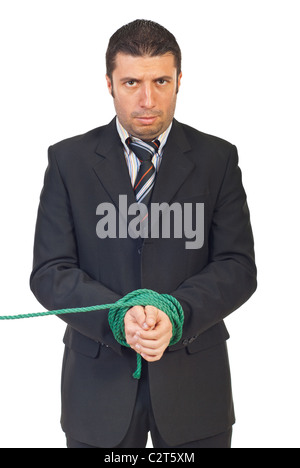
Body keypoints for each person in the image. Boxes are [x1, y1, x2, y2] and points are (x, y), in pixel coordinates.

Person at [30, 19, 257, 449]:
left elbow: (237, 266)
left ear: (179, 81)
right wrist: (116, 318)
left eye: (161, 81)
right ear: (110, 83)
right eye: (132, 82)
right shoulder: (67, 161)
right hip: (97, 390)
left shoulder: (218, 159)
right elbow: (50, 272)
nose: (147, 99)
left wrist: (177, 314)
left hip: (194, 389)